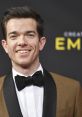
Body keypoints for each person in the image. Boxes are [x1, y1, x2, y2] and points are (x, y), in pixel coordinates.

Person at [0, 6, 82, 117]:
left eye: (29, 35)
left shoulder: (72, 89)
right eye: (14, 36)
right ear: (5, 45)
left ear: (41, 43)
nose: (22, 42)